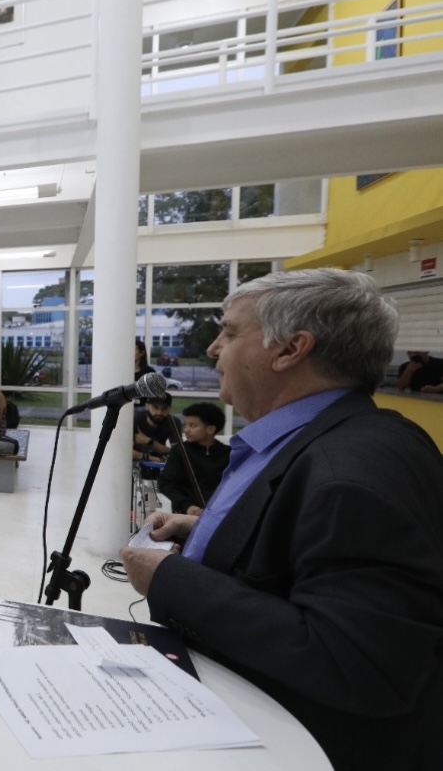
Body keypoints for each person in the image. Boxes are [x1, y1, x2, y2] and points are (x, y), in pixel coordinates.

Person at [119, 269, 443, 771]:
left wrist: (170, 579)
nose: (213, 349)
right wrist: (202, 529)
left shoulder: (352, 473)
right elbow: (305, 544)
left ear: (291, 349)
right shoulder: (309, 439)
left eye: (229, 332)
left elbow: (357, 660)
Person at [157, 402, 230, 516]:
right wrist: (187, 505)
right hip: (185, 514)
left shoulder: (227, 453)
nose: (186, 430)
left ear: (210, 429)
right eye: (185, 425)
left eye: (192, 426)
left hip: (219, 514)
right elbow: (166, 483)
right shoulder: (179, 451)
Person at [133, 393, 179, 460]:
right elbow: (125, 451)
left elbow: (177, 452)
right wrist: (151, 458)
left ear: (169, 409)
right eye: (155, 407)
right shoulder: (134, 420)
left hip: (159, 459)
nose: (159, 412)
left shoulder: (173, 422)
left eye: (164, 408)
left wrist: (148, 441)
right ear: (147, 406)